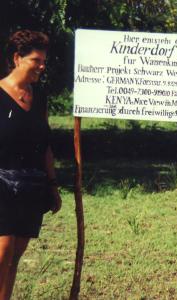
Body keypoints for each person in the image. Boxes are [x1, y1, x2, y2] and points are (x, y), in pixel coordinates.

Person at [0, 30, 62, 300]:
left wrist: (52, 185)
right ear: (16, 58)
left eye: (44, 61)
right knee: (2, 252)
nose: (41, 66)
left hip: (31, 185)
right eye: (36, 60)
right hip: (1, 183)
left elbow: (46, 145)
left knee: (14, 257)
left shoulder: (40, 98)